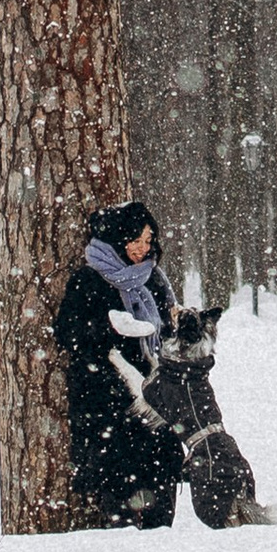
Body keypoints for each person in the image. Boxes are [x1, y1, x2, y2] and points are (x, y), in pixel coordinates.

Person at [53, 204, 184, 528]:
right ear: (117, 239)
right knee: (119, 511)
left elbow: (167, 333)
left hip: (152, 405)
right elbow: (67, 333)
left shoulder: (153, 280)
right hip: (107, 407)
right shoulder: (89, 280)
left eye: (148, 240)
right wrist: (108, 329)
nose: (143, 248)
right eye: (135, 240)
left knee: (160, 509)